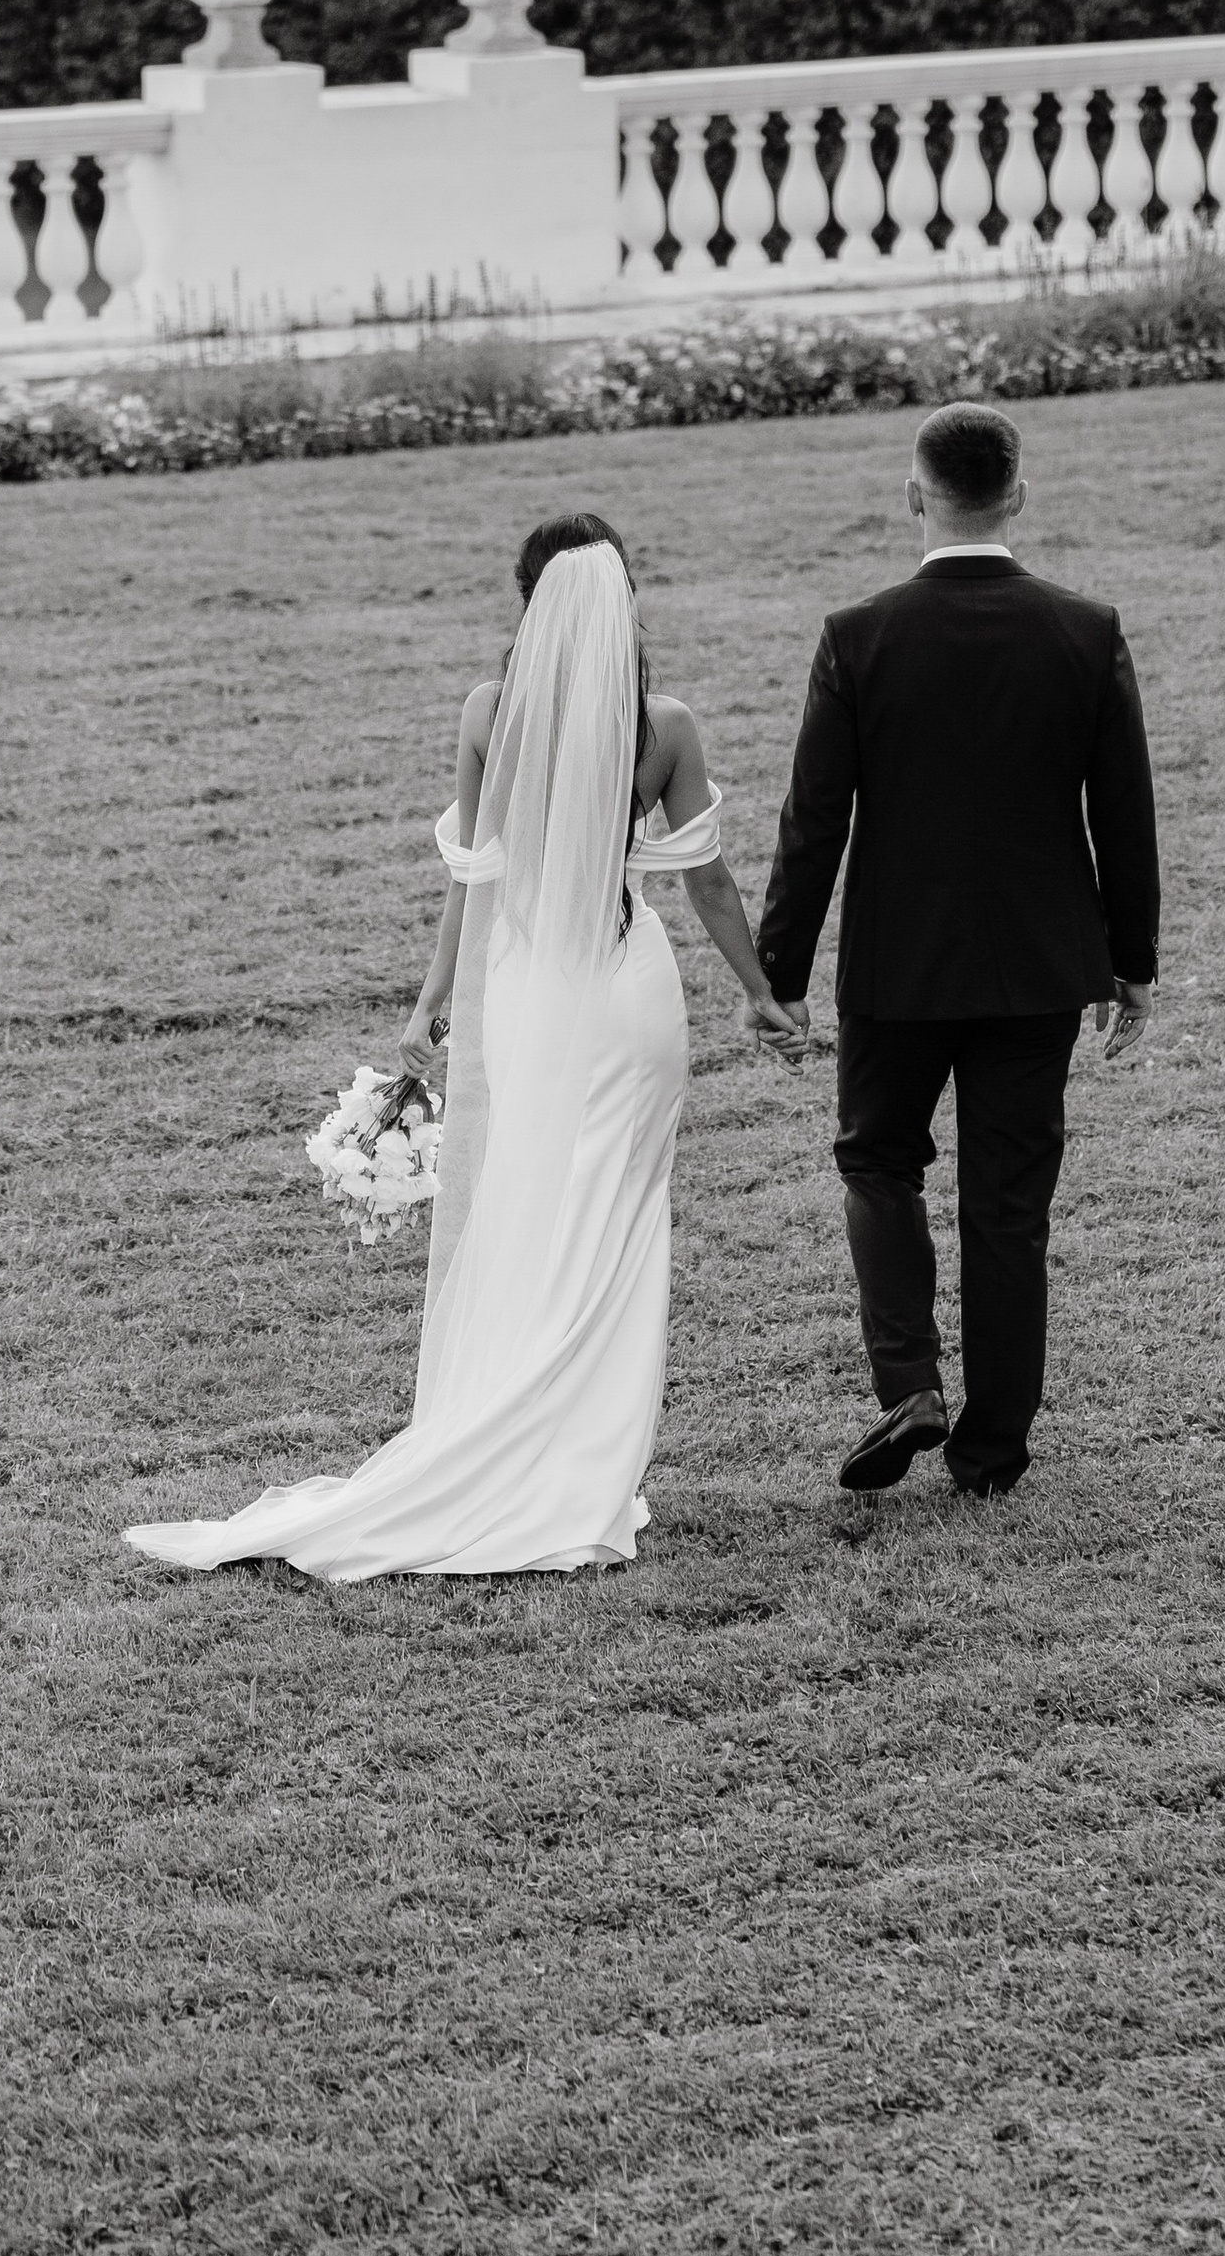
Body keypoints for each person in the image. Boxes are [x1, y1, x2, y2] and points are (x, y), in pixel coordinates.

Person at [124, 511, 795, 1581]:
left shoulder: (490, 708)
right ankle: (578, 1465)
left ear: (527, 603)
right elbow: (705, 880)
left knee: (529, 1204)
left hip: (522, 985)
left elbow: (473, 874)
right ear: (624, 606)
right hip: (624, 993)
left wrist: (437, 994)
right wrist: (762, 994)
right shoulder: (661, 722)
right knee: (614, 1217)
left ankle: (524, 1439)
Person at [755, 403, 1159, 1501]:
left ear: (913, 497)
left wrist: (776, 978)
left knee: (879, 1163)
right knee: (1009, 1206)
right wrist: (1134, 959)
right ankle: (990, 1455)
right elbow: (1123, 811)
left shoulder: (858, 634)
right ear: (1016, 496)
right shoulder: (1085, 629)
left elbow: (812, 823)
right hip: (1037, 970)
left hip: (896, 970)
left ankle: (910, 1386)